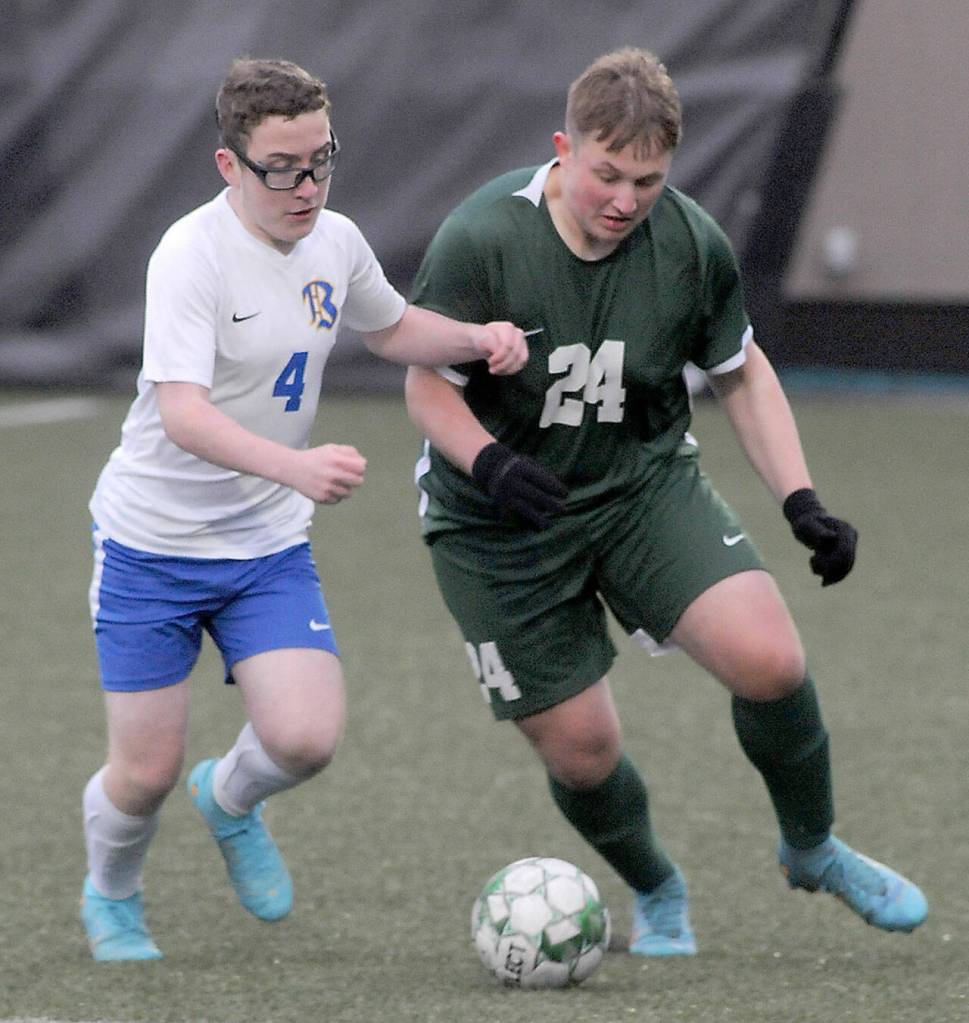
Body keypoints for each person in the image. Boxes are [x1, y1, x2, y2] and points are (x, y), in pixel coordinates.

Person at [404, 47, 927, 955]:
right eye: (606, 173)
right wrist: (488, 463)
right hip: (498, 527)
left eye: (646, 180)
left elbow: (740, 373)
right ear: (563, 148)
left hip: (639, 487)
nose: (623, 198)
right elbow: (426, 387)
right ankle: (657, 885)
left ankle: (811, 848)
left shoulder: (689, 243)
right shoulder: (483, 236)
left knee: (770, 660)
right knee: (581, 750)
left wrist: (801, 499)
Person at [80, 57, 530, 963]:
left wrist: (476, 339)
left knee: (304, 737)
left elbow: (390, 325)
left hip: (263, 547)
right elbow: (182, 413)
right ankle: (113, 893)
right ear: (228, 167)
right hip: (152, 545)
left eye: (321, 160)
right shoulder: (190, 254)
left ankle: (230, 800)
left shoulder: (336, 239)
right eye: (280, 167)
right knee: (143, 772)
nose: (306, 185)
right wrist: (292, 465)